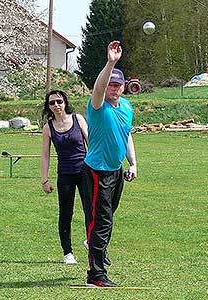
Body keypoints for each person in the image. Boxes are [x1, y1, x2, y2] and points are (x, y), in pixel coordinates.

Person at [83, 41, 137, 287]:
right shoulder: (97, 107)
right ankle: (96, 274)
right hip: (97, 170)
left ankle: (98, 252)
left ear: (123, 87)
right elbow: (98, 88)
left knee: (107, 218)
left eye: (118, 85)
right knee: (100, 220)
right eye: (111, 85)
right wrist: (111, 62)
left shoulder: (126, 106)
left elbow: (126, 135)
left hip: (116, 170)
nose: (113, 89)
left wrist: (133, 163)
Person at [41, 90, 88, 265]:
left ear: (65, 102)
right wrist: (44, 179)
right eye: (52, 103)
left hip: (85, 172)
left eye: (59, 101)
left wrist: (99, 170)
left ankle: (92, 243)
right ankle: (67, 252)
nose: (56, 105)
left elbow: (91, 143)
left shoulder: (78, 119)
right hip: (65, 174)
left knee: (90, 209)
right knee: (66, 213)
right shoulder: (48, 127)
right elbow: (45, 155)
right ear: (48, 106)